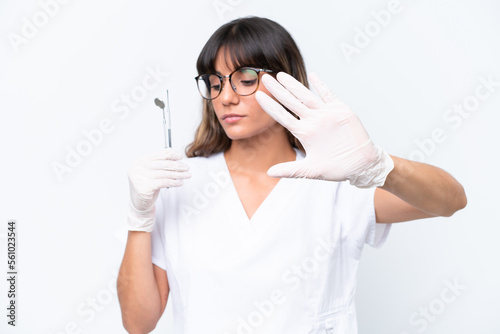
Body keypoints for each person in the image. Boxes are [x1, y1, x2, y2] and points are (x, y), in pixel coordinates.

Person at [117, 16, 467, 334]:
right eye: (214, 82)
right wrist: (140, 216)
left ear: (286, 80)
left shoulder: (336, 179)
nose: (225, 97)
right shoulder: (181, 183)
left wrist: (377, 165)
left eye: (246, 79)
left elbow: (450, 201)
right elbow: (138, 322)